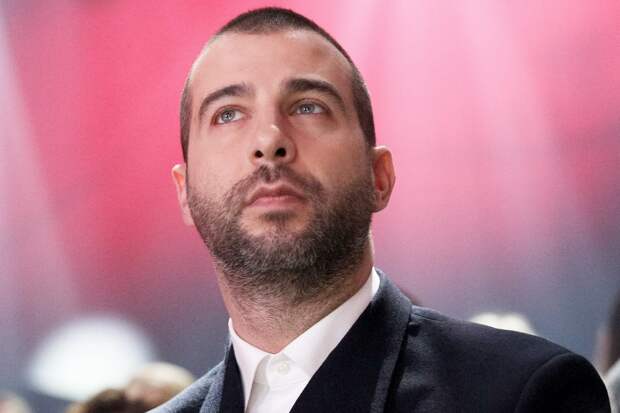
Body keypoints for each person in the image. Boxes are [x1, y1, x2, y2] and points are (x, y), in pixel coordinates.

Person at [154, 7, 610, 412]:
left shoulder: (524, 393)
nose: (269, 139)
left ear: (379, 177)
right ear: (184, 192)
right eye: (228, 114)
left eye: (309, 107)